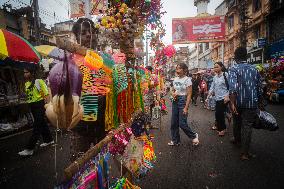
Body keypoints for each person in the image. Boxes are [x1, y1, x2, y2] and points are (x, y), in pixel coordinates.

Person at [70, 18, 106, 161]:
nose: (88, 35)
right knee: (79, 165)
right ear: (76, 36)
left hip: (101, 119)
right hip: (80, 121)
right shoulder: (70, 59)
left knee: (101, 162)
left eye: (91, 32)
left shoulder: (101, 58)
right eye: (84, 32)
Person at [228, 47, 263, 160]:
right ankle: (245, 153)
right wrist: (260, 102)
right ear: (246, 56)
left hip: (237, 101)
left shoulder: (233, 68)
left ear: (235, 57)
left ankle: (237, 140)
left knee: (237, 122)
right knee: (247, 126)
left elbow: (232, 87)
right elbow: (260, 87)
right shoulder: (254, 69)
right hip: (251, 102)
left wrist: (232, 103)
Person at [18, 68, 54, 156]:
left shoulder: (39, 81)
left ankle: (29, 148)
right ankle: (49, 139)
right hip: (32, 105)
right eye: (24, 73)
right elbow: (28, 96)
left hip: (39, 104)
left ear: (31, 73)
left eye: (26, 72)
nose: (25, 74)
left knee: (37, 126)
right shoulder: (26, 84)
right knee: (42, 123)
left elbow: (46, 94)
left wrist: (48, 105)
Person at [168, 63, 199, 146]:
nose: (177, 70)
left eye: (179, 68)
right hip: (175, 100)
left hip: (183, 100)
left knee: (182, 123)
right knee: (174, 122)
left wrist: (186, 107)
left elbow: (189, 94)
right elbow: (172, 89)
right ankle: (175, 140)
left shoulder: (187, 80)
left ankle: (193, 135)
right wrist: (173, 93)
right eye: (176, 68)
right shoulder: (175, 79)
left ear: (184, 70)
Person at [206, 62, 230, 136]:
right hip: (217, 98)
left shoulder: (226, 75)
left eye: (217, 67)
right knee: (218, 113)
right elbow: (212, 88)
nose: (215, 68)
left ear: (221, 67)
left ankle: (222, 129)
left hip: (224, 98)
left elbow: (231, 86)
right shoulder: (215, 77)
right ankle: (225, 119)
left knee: (219, 113)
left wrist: (228, 96)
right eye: (214, 67)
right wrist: (208, 97)